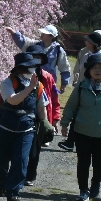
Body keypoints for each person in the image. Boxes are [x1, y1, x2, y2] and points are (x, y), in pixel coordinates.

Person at [59, 53, 101, 201]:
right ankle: (83, 190)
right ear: (89, 70)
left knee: (100, 164)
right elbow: (71, 106)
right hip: (82, 132)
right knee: (83, 163)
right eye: (94, 67)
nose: (97, 70)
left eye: (100, 68)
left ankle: (95, 183)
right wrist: (64, 123)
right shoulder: (81, 87)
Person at [0, 52, 48, 201]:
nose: (32, 69)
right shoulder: (8, 83)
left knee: (21, 160)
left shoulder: (38, 86)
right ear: (21, 68)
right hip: (4, 128)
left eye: (33, 66)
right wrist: (29, 88)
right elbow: (13, 100)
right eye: (29, 66)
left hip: (26, 130)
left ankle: (13, 191)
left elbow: (42, 108)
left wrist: (46, 124)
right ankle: (1, 186)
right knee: (1, 160)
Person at [60, 31, 101, 152]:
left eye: (88, 40)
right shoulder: (88, 53)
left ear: (94, 43)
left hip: (93, 90)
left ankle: (73, 142)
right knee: (77, 112)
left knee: (82, 114)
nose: (85, 42)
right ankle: (71, 141)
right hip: (83, 88)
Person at [23, 44, 58, 187]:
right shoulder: (19, 75)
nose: (35, 60)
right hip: (22, 115)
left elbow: (54, 99)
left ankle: (30, 175)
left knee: (34, 149)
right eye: (32, 57)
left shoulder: (47, 77)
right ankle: (19, 173)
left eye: (38, 57)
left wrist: (55, 118)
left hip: (40, 116)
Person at [7, 24, 71, 92]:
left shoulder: (58, 50)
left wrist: (64, 84)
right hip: (32, 79)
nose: (42, 34)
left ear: (51, 36)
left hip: (47, 81)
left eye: (45, 33)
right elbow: (24, 42)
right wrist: (14, 33)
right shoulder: (35, 45)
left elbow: (64, 68)